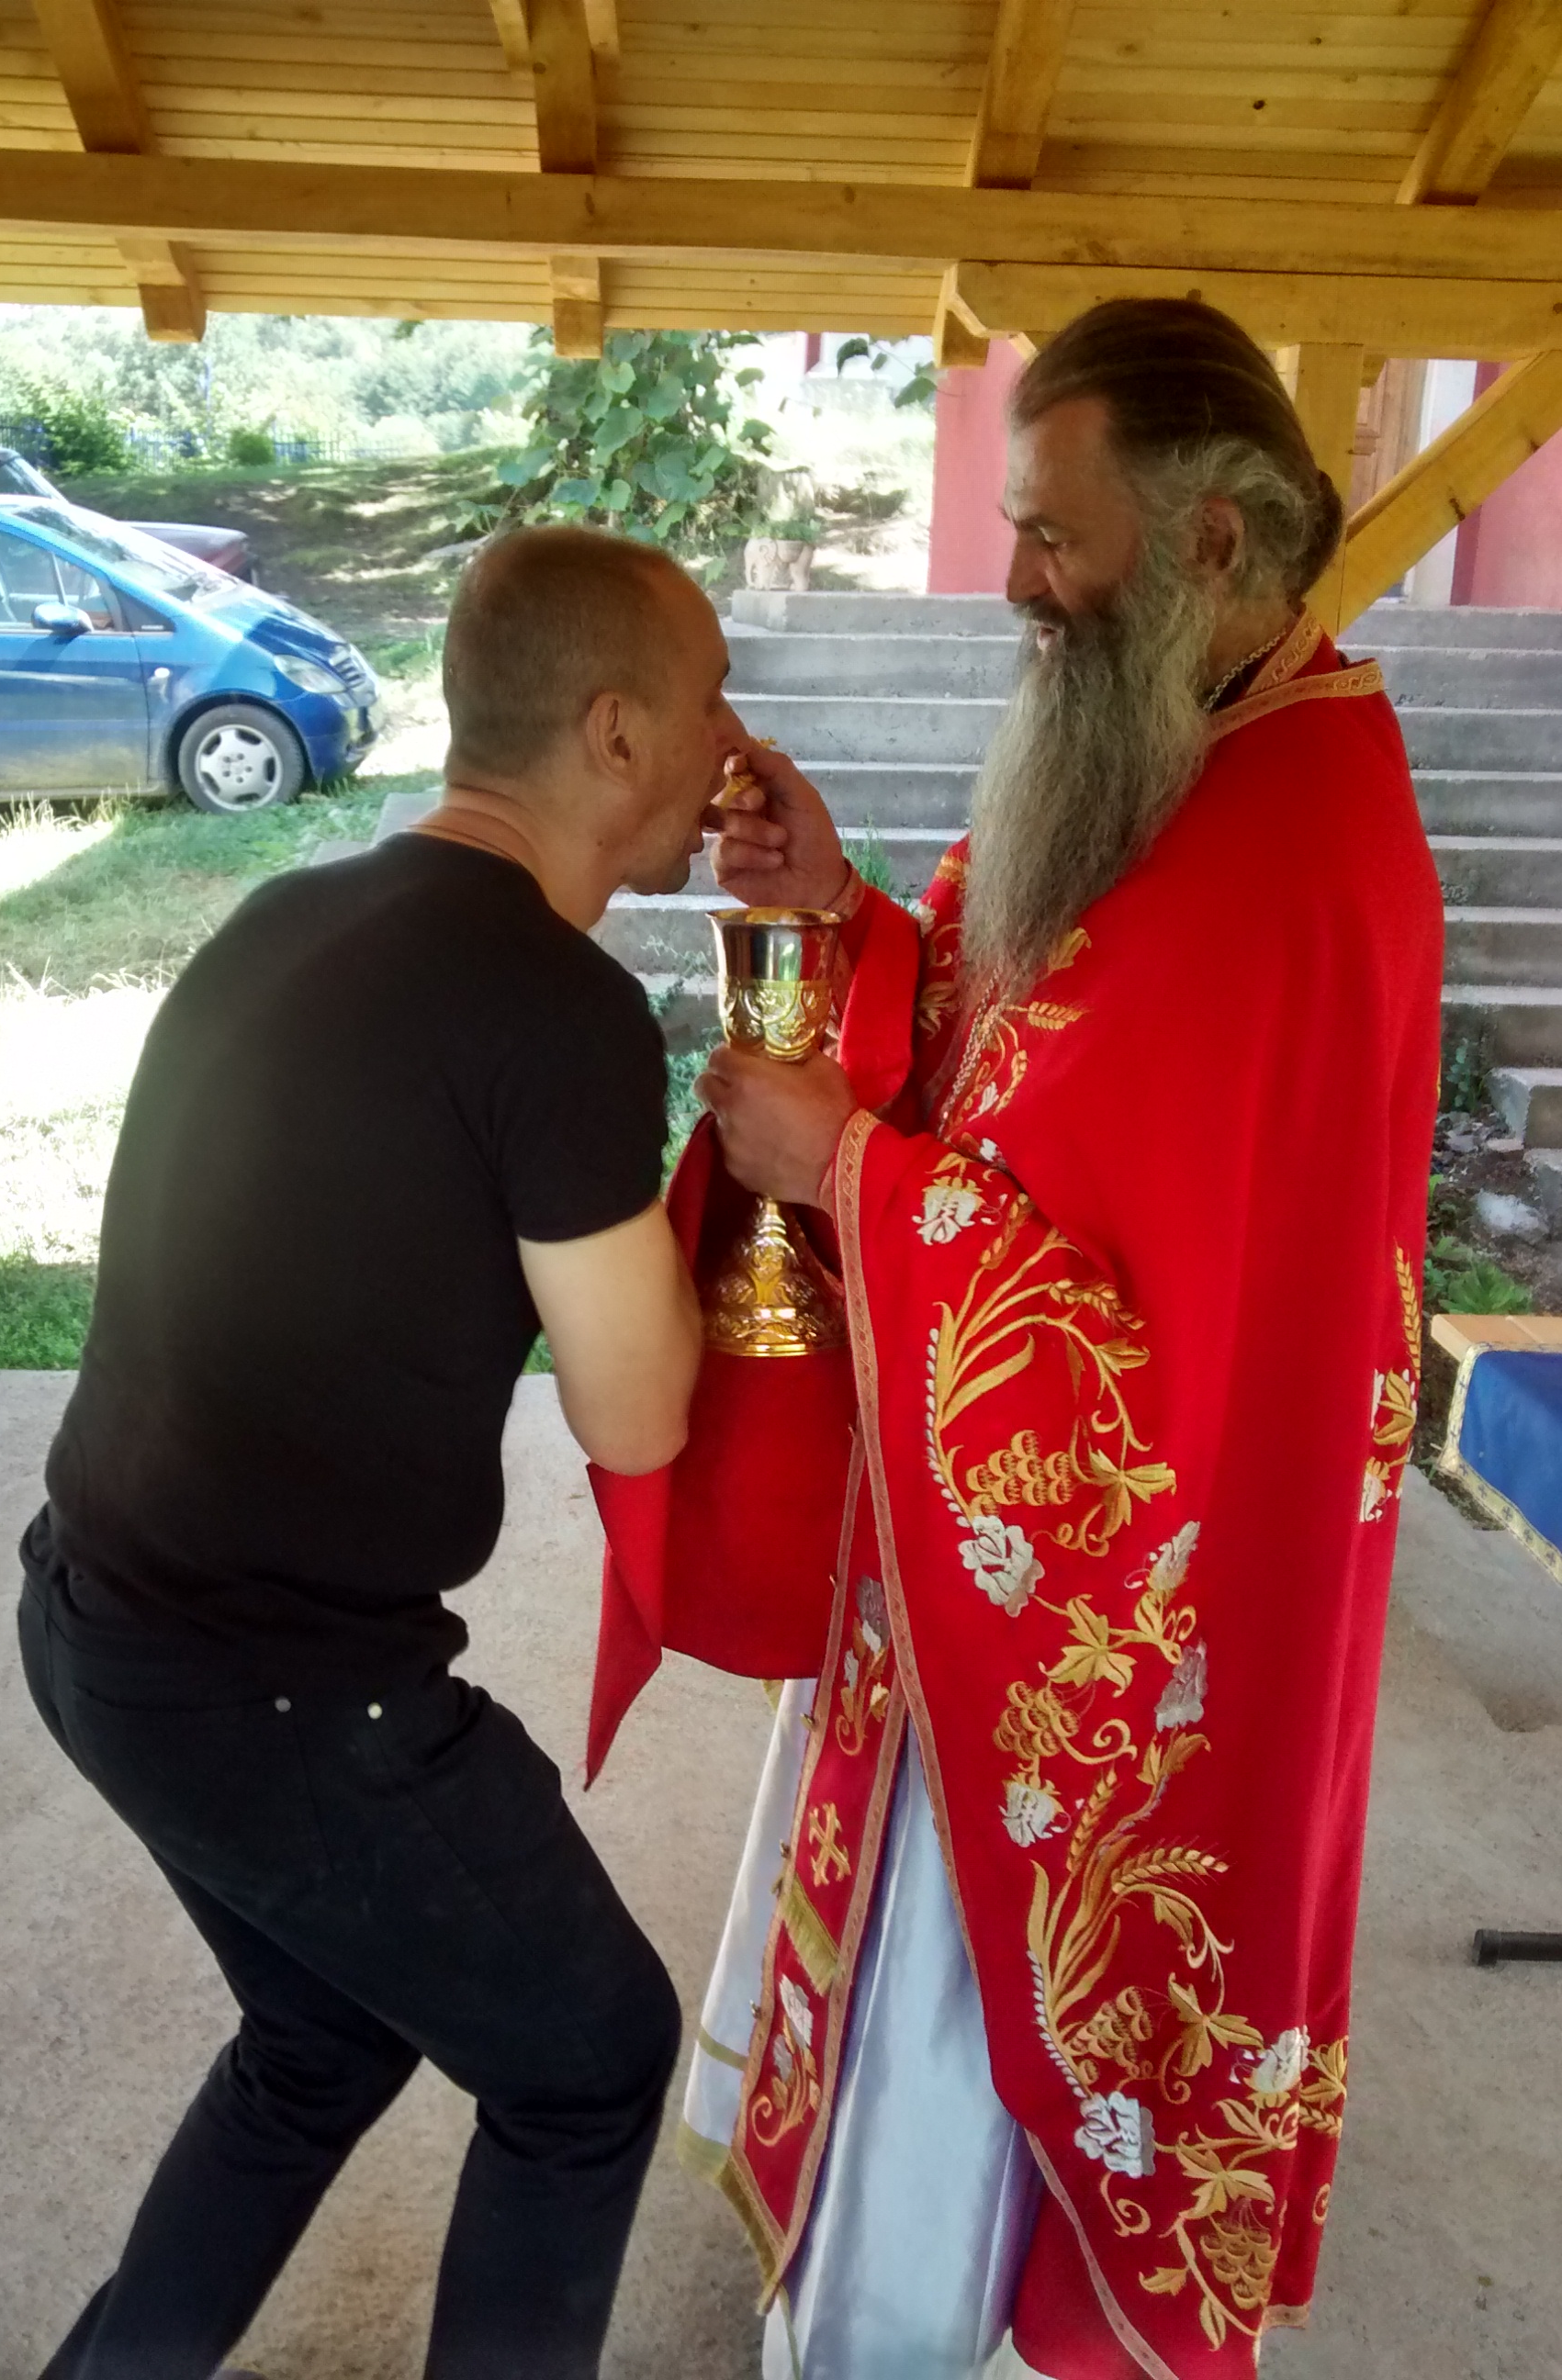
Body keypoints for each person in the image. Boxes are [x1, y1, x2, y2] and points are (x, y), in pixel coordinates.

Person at [657, 301, 1443, 2377]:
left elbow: (1160, 1358)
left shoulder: (1292, 841)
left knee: (996, 2008)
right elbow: (1021, 1043)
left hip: (1117, 1611)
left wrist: (846, 1175)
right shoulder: (1190, 732)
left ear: (1212, 538)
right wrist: (845, 911)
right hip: (973, 1563)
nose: (1013, 582)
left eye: (1053, 537)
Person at [17, 523, 742, 2380]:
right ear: (614, 733)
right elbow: (640, 1415)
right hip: (274, 1693)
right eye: (712, 704)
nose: (732, 748)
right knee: (589, 2065)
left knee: (321, 2037)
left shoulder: (291, 909)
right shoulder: (556, 1007)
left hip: (90, 1621)